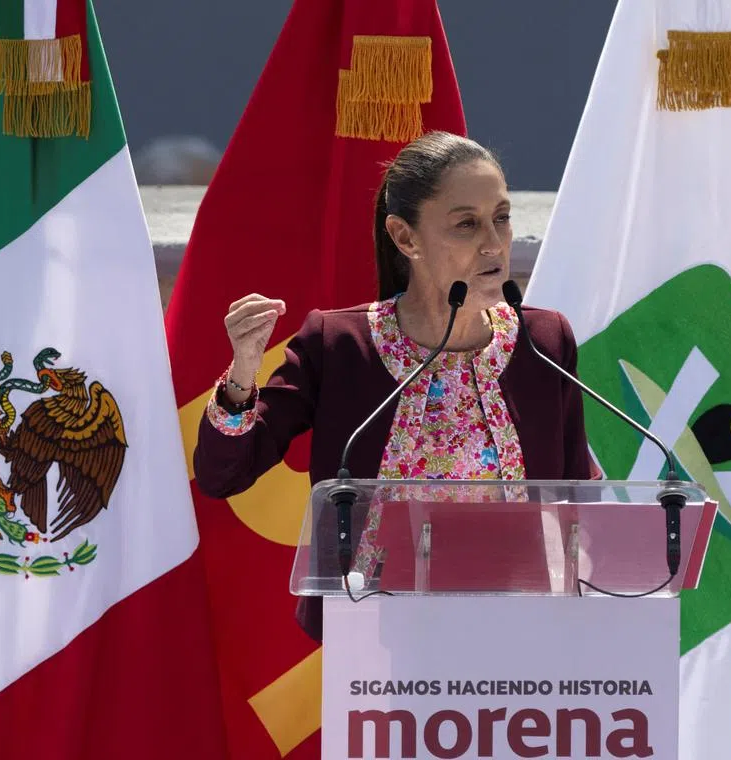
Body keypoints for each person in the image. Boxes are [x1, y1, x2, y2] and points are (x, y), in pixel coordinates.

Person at [192, 131, 599, 641]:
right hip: (375, 643)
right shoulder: (340, 344)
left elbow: (574, 501)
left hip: (520, 636)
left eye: (501, 217)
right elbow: (221, 475)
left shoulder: (544, 342)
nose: (495, 243)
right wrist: (242, 373)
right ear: (406, 238)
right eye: (466, 225)